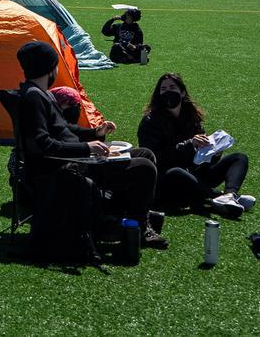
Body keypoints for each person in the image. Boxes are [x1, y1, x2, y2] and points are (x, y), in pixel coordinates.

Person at [14, 41, 167, 250]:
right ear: (50, 67)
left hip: (78, 158)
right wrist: (87, 149)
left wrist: (95, 133)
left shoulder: (41, 94)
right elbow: (42, 144)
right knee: (145, 167)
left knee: (145, 154)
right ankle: (139, 228)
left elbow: (64, 129)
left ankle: (123, 215)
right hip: (69, 167)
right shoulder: (33, 98)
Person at [138, 73, 254, 219]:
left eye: (172, 87)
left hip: (195, 172)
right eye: (163, 89)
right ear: (158, 94)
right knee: (176, 172)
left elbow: (201, 159)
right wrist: (190, 144)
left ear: (182, 92)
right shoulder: (150, 121)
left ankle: (229, 194)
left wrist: (213, 152)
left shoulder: (192, 117)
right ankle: (218, 196)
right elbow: (155, 158)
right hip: (167, 178)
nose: (168, 91)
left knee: (239, 158)